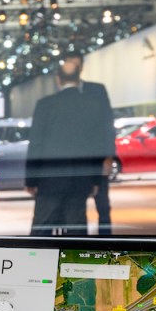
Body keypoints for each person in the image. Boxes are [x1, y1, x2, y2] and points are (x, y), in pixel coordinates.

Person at [25, 66, 113, 235]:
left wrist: (31, 180)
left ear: (58, 79)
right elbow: (96, 145)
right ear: (79, 78)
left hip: (50, 179)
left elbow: (36, 144)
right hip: (79, 178)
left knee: (42, 229)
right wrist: (95, 180)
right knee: (76, 229)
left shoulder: (45, 105)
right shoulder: (92, 105)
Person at [59, 52, 116, 235]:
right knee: (75, 208)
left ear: (81, 67)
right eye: (69, 64)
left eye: (75, 64)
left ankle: (106, 246)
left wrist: (108, 157)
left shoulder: (97, 90)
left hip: (96, 158)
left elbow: (107, 124)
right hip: (73, 162)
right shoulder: (61, 94)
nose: (72, 67)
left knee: (103, 207)